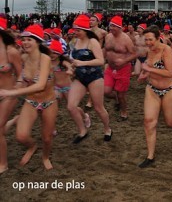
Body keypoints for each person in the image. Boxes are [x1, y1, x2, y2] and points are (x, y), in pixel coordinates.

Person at [0, 24, 59, 170]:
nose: (25, 43)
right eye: (24, 40)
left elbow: (40, 85)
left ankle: (45, 157)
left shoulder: (45, 58)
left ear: (38, 41)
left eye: (29, 40)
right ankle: (32, 147)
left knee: (47, 138)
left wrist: (11, 93)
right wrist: (18, 84)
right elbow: (21, 75)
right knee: (20, 136)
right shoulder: (24, 57)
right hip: (31, 101)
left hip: (49, 102)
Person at [137, 25, 172, 168]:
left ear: (158, 37)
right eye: (146, 40)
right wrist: (144, 74)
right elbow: (150, 67)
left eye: (150, 39)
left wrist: (148, 69)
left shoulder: (166, 50)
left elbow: (169, 72)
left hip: (170, 89)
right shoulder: (150, 51)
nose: (148, 43)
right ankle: (150, 156)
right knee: (149, 121)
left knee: (170, 122)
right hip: (152, 88)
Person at [68, 15, 112, 143]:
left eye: (78, 30)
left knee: (99, 108)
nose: (75, 32)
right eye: (74, 30)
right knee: (71, 106)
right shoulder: (76, 42)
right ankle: (82, 130)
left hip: (94, 77)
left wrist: (81, 63)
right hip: (80, 77)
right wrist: (71, 68)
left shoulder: (92, 42)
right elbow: (73, 60)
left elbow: (100, 61)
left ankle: (107, 129)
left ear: (85, 30)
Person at [103, 16, 137, 121]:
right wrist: (101, 59)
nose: (111, 28)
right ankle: (116, 99)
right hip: (110, 68)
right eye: (110, 25)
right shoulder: (108, 37)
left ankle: (124, 113)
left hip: (123, 69)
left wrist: (124, 61)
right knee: (106, 91)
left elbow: (134, 54)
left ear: (120, 27)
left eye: (114, 26)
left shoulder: (126, 39)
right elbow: (106, 50)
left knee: (121, 94)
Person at [0, 17, 22, 174]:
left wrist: (16, 90)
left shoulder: (11, 51)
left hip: (8, 95)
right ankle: (14, 121)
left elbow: (21, 75)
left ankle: (3, 164)